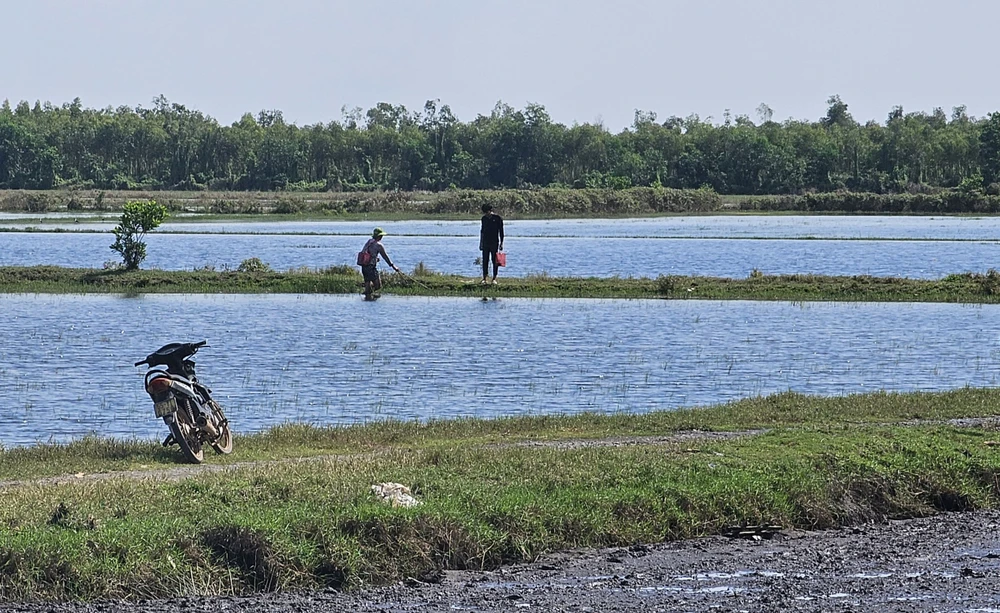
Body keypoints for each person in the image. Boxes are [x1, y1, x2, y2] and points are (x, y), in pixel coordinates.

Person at [359, 227, 399, 300]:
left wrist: (375, 259)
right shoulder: (379, 245)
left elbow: (365, 252)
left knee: (367, 286)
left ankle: (367, 296)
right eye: (381, 236)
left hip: (364, 266)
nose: (382, 237)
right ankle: (370, 297)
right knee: (378, 286)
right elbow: (385, 257)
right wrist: (393, 266)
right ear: (379, 236)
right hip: (371, 267)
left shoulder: (369, 241)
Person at [479, 203, 504, 284]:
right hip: (486, 242)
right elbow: (482, 231)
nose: (486, 214)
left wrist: (501, 243)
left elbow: (501, 232)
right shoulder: (484, 219)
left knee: (495, 260)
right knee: (485, 260)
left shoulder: (497, 218)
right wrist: (481, 243)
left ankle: (494, 278)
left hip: (494, 242)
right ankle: (484, 278)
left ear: (490, 211)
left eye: (487, 212)